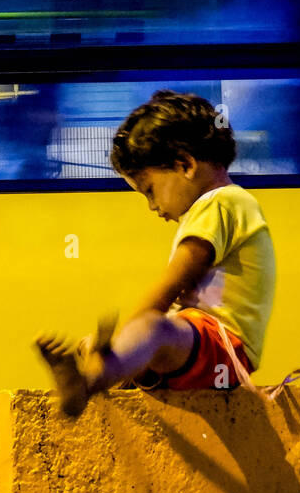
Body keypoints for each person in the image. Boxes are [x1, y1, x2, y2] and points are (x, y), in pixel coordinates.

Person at [36, 90, 276, 416]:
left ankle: (90, 380)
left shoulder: (224, 201)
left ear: (185, 164)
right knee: (140, 338)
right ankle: (103, 370)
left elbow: (168, 289)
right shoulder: (215, 209)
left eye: (150, 190)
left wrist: (130, 331)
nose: (153, 207)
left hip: (223, 350)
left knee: (151, 329)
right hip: (196, 348)